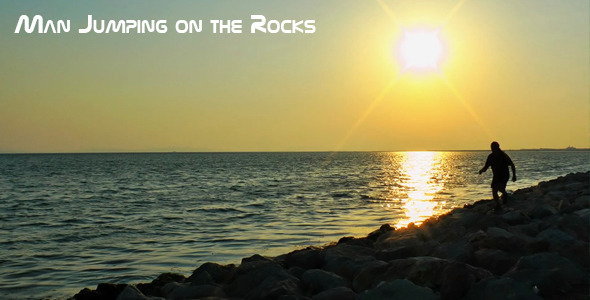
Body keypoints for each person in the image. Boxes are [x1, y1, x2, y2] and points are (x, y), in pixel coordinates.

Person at [479, 141, 516, 211]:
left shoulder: (503, 155)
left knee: (499, 188)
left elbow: (512, 164)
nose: (493, 149)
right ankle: (498, 205)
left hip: (504, 175)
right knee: (494, 190)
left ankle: (505, 195)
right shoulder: (490, 156)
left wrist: (514, 175)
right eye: (492, 148)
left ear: (498, 147)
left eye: (494, 147)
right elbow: (486, 166)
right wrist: (481, 170)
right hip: (496, 176)